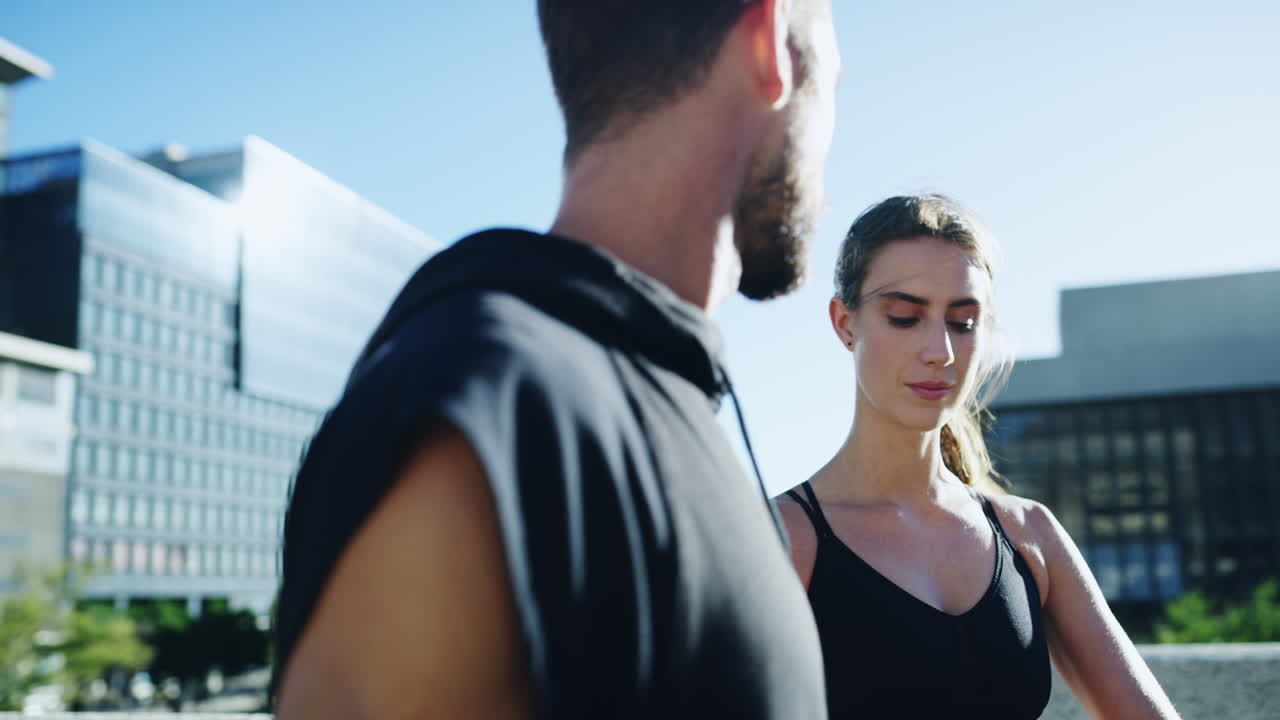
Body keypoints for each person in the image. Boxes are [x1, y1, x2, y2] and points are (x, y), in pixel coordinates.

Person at [272, 1, 842, 718]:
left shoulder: (622, 401)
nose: (829, 162)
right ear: (769, 46)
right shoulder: (487, 413)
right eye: (836, 86)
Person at [777, 194, 1181, 719]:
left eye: (964, 322)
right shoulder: (785, 538)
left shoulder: (1028, 533)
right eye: (904, 317)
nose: (940, 350)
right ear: (844, 322)